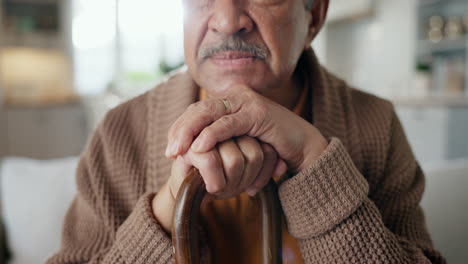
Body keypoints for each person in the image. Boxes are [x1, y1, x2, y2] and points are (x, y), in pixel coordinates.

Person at [48, 0, 446, 263]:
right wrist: (168, 208)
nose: (227, 21)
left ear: (315, 17)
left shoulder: (375, 124)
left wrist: (314, 161)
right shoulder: (120, 134)